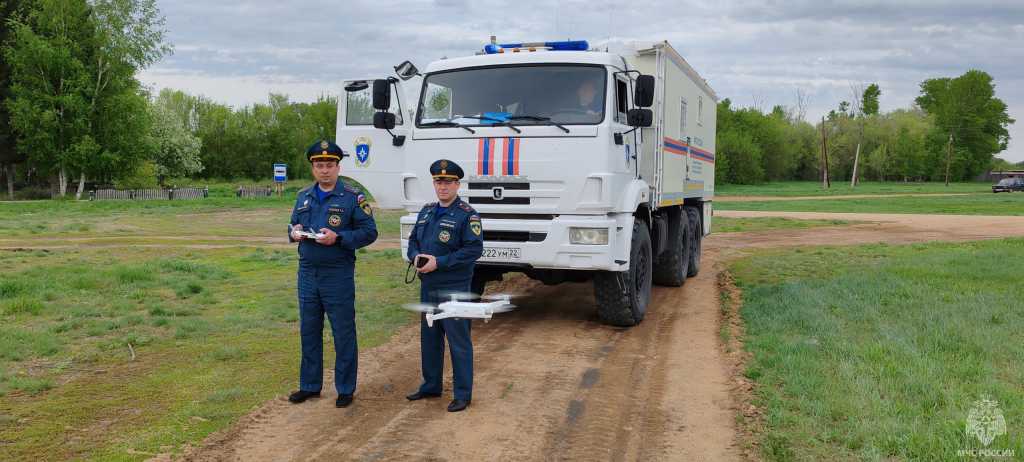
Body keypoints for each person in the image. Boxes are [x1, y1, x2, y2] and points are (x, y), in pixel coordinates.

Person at [287, 139, 378, 408]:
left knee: (343, 331)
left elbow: (370, 233)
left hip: (337, 273)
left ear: (338, 167)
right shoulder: (304, 196)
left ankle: (346, 388)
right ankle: (310, 385)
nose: (324, 170)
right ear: (313, 168)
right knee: (309, 330)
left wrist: (338, 238)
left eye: (329, 165)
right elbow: (293, 224)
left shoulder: (352, 198)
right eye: (319, 165)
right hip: (307, 272)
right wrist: (293, 233)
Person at [405, 159, 483, 412]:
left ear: (457, 184)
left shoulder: (467, 215)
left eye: (448, 181)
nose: (443, 186)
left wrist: (440, 262)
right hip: (428, 286)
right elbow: (414, 241)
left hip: (455, 288)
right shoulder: (427, 211)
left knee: (458, 341)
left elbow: (473, 249)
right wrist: (415, 256)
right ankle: (431, 385)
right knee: (430, 338)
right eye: (439, 181)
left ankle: (462, 394)